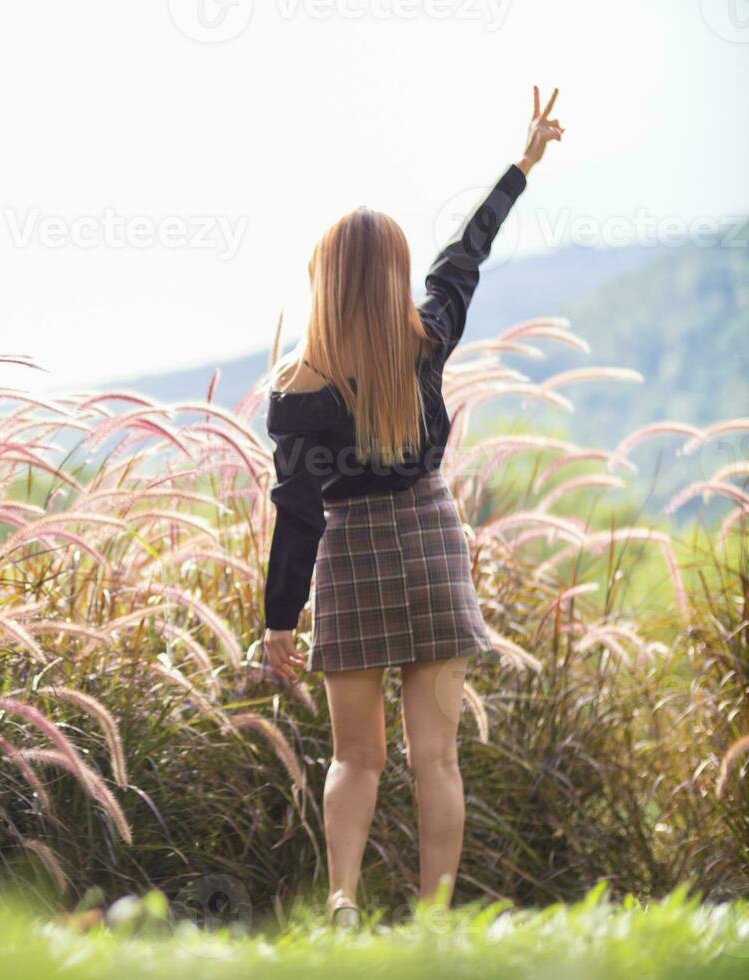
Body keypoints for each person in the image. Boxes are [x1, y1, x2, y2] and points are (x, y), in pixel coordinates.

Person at [261, 87, 565, 930]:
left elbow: (297, 514)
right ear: (394, 275)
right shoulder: (427, 336)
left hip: (352, 561)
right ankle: (434, 920)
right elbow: (467, 252)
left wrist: (278, 620)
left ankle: (342, 898)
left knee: (355, 757)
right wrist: (522, 165)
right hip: (430, 545)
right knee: (437, 758)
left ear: (322, 278)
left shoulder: (298, 389)